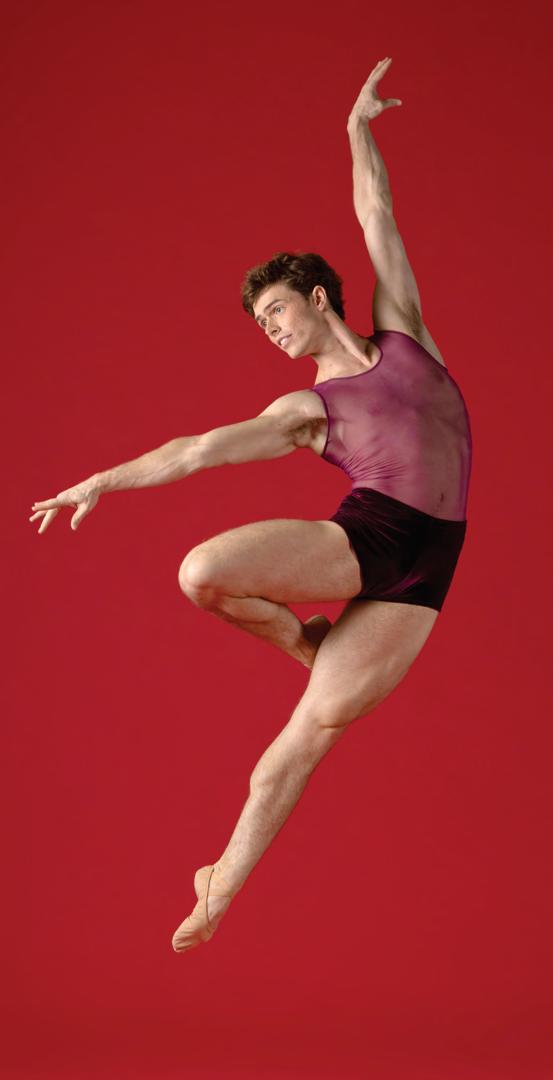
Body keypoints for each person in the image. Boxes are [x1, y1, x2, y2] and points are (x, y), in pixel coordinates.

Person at [28, 57, 472, 953]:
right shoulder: (304, 410)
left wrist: (355, 130)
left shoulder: (405, 335)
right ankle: (299, 656)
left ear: (318, 297)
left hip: (431, 566)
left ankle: (218, 880)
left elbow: (376, 214)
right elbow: (196, 450)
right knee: (203, 572)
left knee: (311, 733)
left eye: (275, 310)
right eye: (259, 324)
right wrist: (100, 480)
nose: (269, 329)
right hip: (376, 533)